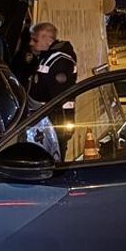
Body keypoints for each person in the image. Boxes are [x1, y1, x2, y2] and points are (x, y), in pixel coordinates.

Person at [15, 22, 78, 157]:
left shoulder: (60, 61)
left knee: (54, 159)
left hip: (55, 123)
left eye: (35, 40)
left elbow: (59, 97)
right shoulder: (45, 57)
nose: (31, 43)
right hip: (45, 122)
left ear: (47, 39)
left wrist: (58, 129)